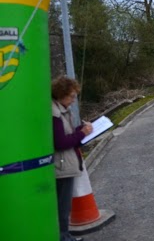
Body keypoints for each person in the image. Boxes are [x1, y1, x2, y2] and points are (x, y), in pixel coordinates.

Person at [52, 76, 92, 241]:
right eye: (72, 96)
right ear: (61, 94)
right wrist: (82, 133)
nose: (73, 101)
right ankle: (64, 237)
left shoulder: (59, 109)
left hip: (64, 164)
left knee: (63, 206)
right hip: (62, 166)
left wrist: (80, 130)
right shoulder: (55, 113)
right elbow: (60, 142)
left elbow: (65, 135)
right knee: (63, 207)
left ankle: (65, 236)